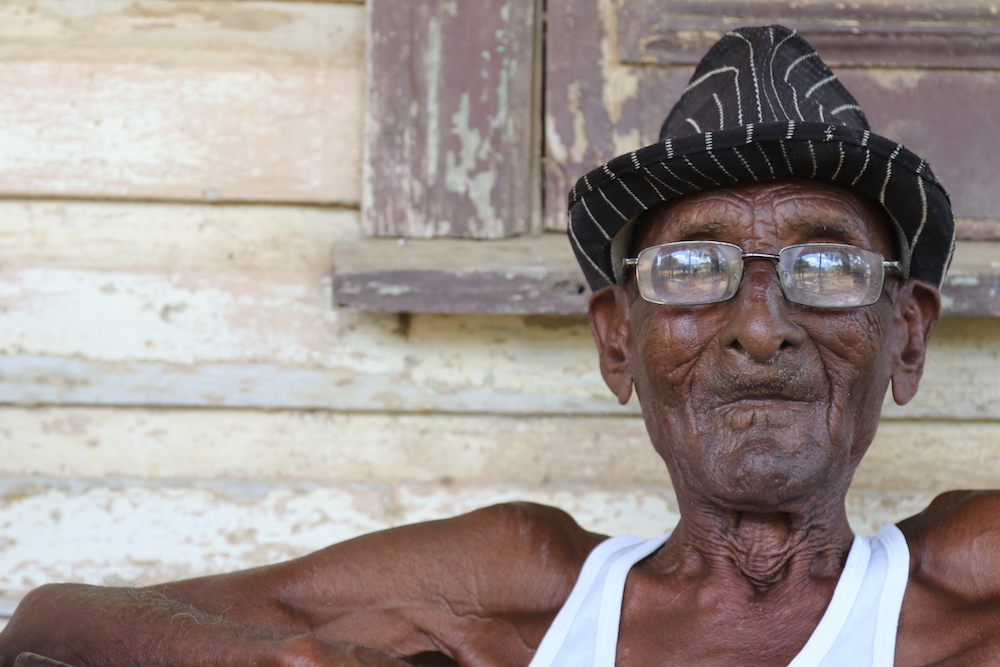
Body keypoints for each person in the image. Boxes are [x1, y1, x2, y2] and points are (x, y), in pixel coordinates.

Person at [2, 25, 998, 667]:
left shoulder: (965, 581)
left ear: (903, 335)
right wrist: (277, 660)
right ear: (619, 341)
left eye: (825, 271)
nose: (759, 324)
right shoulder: (518, 590)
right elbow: (53, 620)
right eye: (692, 272)